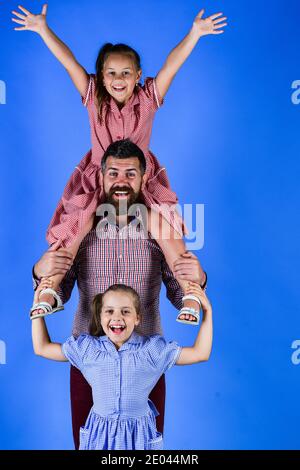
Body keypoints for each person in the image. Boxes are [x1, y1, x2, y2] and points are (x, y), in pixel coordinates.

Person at [12, 4, 226, 324]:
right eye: (111, 73)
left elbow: (172, 65)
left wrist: (194, 34)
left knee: (167, 231)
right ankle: (49, 289)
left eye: (126, 73)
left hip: (140, 178)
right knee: (75, 229)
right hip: (100, 179)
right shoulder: (93, 96)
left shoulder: (149, 98)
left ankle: (191, 292)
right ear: (100, 76)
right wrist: (43, 29)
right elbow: (68, 62)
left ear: (138, 75)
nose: (118, 79)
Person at [32, 139, 207, 449]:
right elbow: (59, 290)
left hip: (147, 363)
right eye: (113, 173)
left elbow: (179, 293)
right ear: (101, 178)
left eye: (130, 174)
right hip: (89, 363)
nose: (121, 182)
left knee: (147, 448)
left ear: (143, 178)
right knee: (87, 445)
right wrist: (39, 271)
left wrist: (198, 279)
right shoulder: (81, 231)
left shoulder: (159, 233)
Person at [32, 278, 213, 450]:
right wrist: (37, 306)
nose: (117, 318)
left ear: (137, 318)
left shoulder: (152, 350)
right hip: (99, 436)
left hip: (139, 436)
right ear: (100, 316)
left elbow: (200, 354)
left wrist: (207, 312)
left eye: (125, 311)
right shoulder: (87, 349)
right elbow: (42, 348)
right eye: (109, 311)